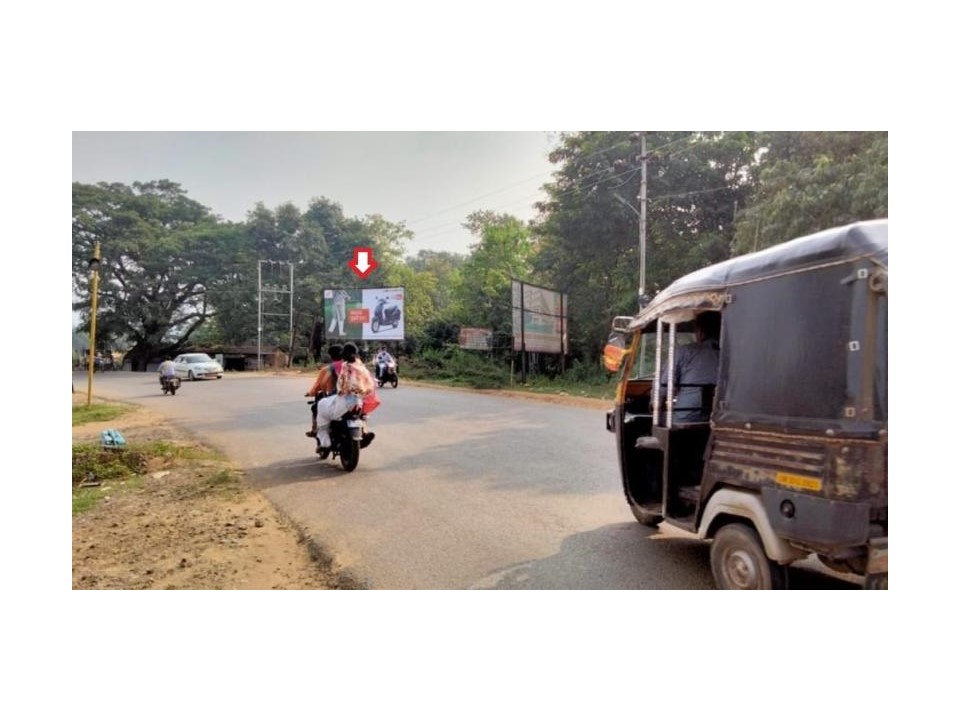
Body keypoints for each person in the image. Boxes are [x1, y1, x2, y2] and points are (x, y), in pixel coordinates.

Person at [660, 311, 721, 423]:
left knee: (658, 418)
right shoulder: (730, 356)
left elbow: (664, 387)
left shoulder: (683, 352)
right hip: (721, 416)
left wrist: (655, 404)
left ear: (701, 332)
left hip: (687, 416)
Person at [313, 342, 376, 448]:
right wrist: (362, 393)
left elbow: (328, 384)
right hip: (359, 399)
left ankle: (322, 436)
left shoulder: (339, 366)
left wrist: (323, 391)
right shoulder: (361, 367)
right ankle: (364, 432)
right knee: (361, 415)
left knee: (322, 406)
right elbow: (370, 383)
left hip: (342, 397)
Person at [304, 345, 343, 437]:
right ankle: (364, 431)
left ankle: (315, 430)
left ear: (330, 356)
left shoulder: (327, 369)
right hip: (352, 396)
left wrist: (311, 393)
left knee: (315, 408)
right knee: (361, 412)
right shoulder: (352, 366)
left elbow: (320, 384)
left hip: (333, 397)